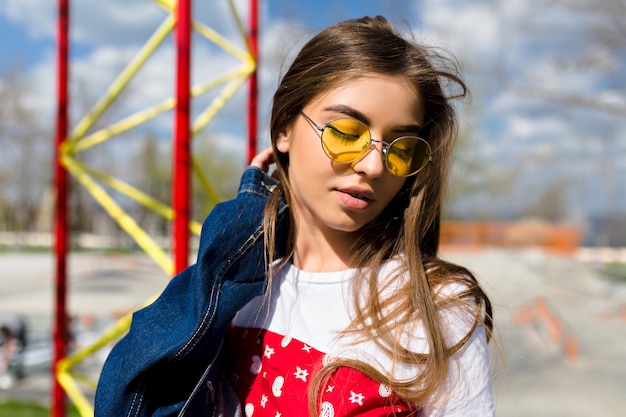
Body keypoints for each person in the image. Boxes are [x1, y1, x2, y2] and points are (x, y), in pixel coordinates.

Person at [95, 15, 494, 417]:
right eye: (344, 132)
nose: (375, 166)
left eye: (401, 146)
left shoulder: (437, 309)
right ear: (283, 128)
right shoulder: (233, 294)